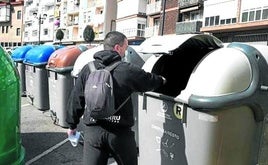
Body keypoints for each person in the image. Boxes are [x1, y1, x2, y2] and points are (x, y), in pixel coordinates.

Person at [66, 31, 166, 165]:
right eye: (125, 47)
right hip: (119, 134)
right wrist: (163, 80)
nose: (125, 52)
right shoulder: (127, 69)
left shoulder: (88, 68)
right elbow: (149, 81)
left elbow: (76, 98)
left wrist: (72, 125)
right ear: (117, 48)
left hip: (93, 131)